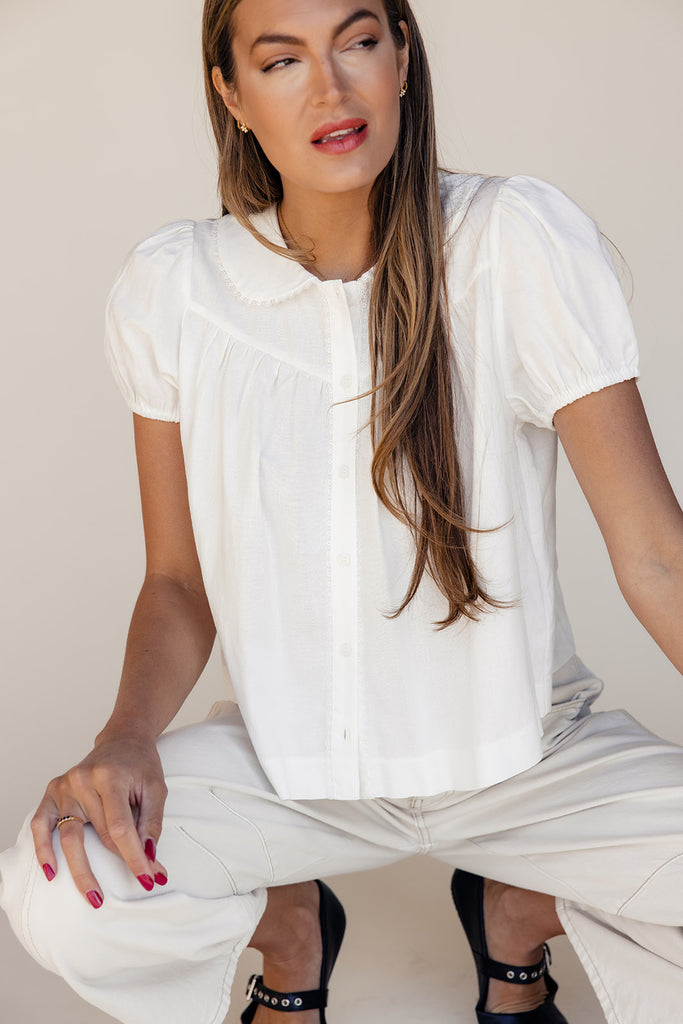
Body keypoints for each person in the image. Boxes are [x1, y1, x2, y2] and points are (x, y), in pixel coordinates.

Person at [1, 1, 682, 1022]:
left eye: (357, 41)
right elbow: (177, 582)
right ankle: (289, 925)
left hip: (530, 757)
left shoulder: (512, 241)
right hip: (288, 764)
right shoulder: (177, 290)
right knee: (62, 891)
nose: (330, 88)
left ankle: (521, 906)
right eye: (281, 61)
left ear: (401, 55)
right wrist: (127, 735)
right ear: (231, 94)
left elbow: (657, 556)